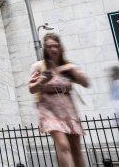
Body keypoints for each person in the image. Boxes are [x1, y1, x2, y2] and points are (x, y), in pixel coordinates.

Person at [28, 32, 90, 167]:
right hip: (49, 110)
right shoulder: (39, 66)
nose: (53, 49)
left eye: (56, 46)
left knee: (76, 150)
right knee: (63, 145)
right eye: (49, 47)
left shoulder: (68, 66)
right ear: (45, 49)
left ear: (61, 47)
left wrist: (72, 69)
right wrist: (41, 82)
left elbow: (86, 83)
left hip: (68, 110)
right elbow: (31, 89)